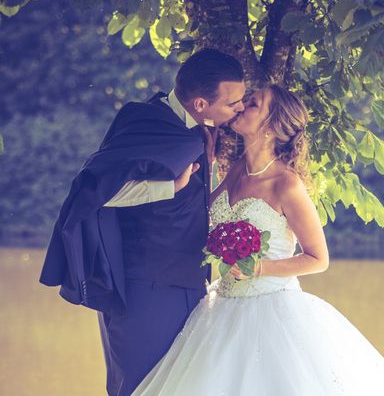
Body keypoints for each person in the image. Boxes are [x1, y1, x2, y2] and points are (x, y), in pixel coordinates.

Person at [131, 84, 384, 395]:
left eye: (253, 104)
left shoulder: (286, 184)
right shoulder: (237, 169)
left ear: (272, 126)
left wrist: (258, 269)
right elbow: (207, 216)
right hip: (221, 307)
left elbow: (318, 259)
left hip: (272, 311)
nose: (241, 106)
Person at [39, 49, 246, 396]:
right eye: (233, 103)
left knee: (182, 384)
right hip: (144, 286)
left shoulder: (200, 130)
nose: (239, 108)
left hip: (191, 283)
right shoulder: (146, 121)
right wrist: (170, 187)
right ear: (199, 104)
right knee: (139, 384)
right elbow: (96, 192)